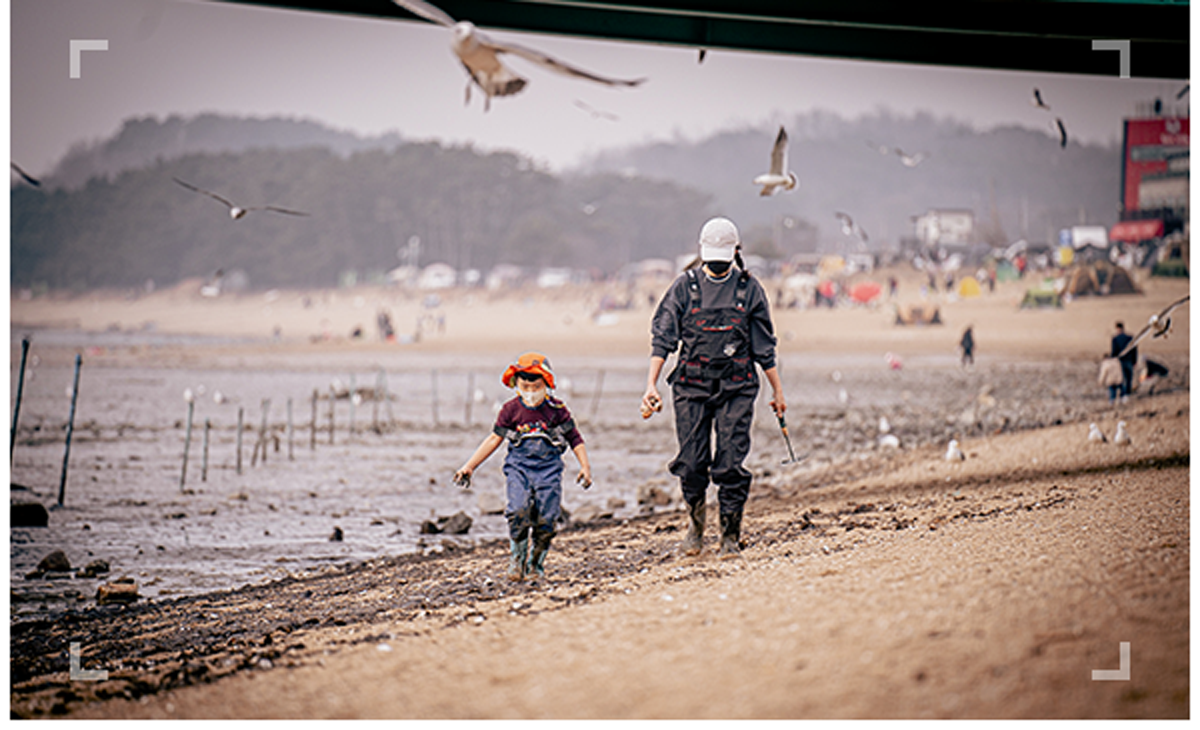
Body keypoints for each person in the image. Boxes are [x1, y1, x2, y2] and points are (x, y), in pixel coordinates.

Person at [642, 217, 786, 559]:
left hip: (737, 388)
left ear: (736, 252)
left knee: (730, 464)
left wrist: (778, 392)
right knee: (691, 463)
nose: (717, 264)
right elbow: (663, 339)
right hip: (690, 389)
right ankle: (695, 528)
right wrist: (651, 384)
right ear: (702, 253)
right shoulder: (683, 287)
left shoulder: (750, 289)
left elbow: (764, 347)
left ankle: (730, 537)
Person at [454, 352, 592, 581]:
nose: (530, 391)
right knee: (518, 511)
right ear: (516, 384)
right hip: (519, 468)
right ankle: (516, 560)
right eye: (524, 386)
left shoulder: (557, 410)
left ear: (546, 384)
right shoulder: (510, 410)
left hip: (549, 470)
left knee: (547, 518)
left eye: (535, 386)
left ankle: (535, 564)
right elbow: (493, 439)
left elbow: (575, 439)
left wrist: (585, 467)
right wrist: (469, 466)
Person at [1110, 321, 1137, 402]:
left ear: (1118, 328)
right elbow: (1134, 350)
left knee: (1122, 378)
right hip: (1129, 361)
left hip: (1120, 362)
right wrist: (1134, 361)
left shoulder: (1115, 339)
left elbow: (1114, 352)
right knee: (1129, 378)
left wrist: (1113, 361)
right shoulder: (1130, 338)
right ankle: (1127, 394)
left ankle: (1123, 394)